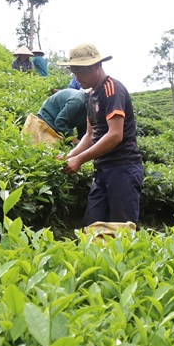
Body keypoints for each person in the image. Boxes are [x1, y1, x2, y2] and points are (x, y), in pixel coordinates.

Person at [59, 43, 144, 225]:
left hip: (123, 169)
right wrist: (70, 155)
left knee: (121, 230)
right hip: (103, 171)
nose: (77, 77)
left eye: (81, 71)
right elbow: (90, 135)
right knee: (92, 227)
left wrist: (80, 160)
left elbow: (115, 135)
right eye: (74, 72)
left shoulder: (112, 90)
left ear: (97, 66)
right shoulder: (91, 95)